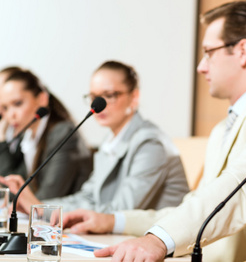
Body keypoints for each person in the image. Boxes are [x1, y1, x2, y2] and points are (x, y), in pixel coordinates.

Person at [61, 0, 246, 262]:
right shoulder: (221, 130)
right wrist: (112, 220)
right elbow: (196, 205)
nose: (201, 66)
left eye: (209, 52)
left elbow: (238, 189)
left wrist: (158, 240)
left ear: (242, 51)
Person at [1, 61, 190, 213]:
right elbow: (88, 197)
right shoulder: (110, 142)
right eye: (94, 96)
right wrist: (38, 207)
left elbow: (123, 210)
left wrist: (39, 208)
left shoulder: (150, 143)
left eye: (109, 95)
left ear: (134, 97)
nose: (98, 104)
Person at [0, 68, 92, 199]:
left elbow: (47, 198)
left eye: (18, 103)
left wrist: (1, 138)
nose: (11, 115)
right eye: (5, 108)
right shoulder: (28, 136)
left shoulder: (62, 133)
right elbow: (12, 189)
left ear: (42, 99)